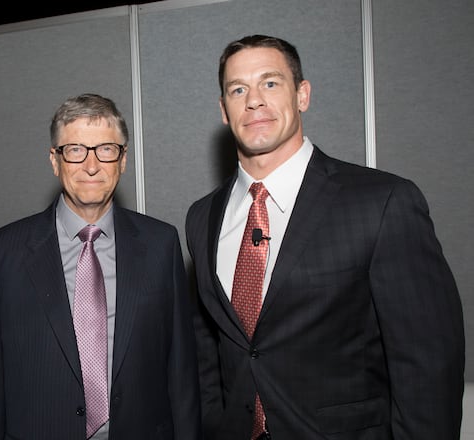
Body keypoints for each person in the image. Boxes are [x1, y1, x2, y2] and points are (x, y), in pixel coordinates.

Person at [186, 34, 465, 439]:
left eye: (270, 83)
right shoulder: (202, 217)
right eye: (238, 89)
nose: (254, 100)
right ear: (224, 111)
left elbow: (427, 366)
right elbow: (209, 348)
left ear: (302, 95)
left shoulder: (382, 201)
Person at [0, 93, 201, 439]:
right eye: (75, 149)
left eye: (106, 149)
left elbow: (181, 373)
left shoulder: (161, 245)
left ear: (122, 160)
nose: (91, 166)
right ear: (54, 159)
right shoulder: (2, 254)